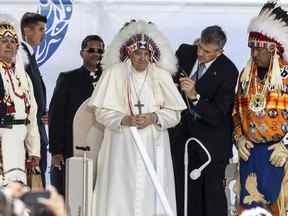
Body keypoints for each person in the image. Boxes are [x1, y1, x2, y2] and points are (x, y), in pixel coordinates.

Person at [88, 20, 186, 216]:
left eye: (146, 54)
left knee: (151, 195)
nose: (142, 58)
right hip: (121, 147)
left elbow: (175, 114)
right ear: (129, 53)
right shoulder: (113, 74)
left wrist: (154, 117)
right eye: (137, 53)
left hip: (154, 144)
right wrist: (124, 120)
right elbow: (101, 112)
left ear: (152, 55)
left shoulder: (162, 75)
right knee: (120, 193)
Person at [169, 25, 239, 216]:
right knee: (183, 195)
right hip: (182, 141)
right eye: (199, 46)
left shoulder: (229, 71)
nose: (200, 53)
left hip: (211, 146)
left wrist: (195, 97)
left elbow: (218, 114)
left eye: (207, 52)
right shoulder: (184, 52)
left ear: (220, 51)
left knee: (211, 199)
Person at [233, 2, 288, 215]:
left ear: (273, 49)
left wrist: (285, 144)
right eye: (251, 47)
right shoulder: (246, 76)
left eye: (259, 48)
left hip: (279, 155)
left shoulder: (285, 76)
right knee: (249, 208)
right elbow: (236, 114)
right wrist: (239, 138)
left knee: (278, 208)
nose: (254, 53)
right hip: (251, 155)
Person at [48, 35, 104, 196]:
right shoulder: (68, 78)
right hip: (71, 147)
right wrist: (56, 151)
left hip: (103, 148)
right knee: (73, 194)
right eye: (91, 50)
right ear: (82, 53)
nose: (96, 54)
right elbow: (55, 116)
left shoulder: (109, 79)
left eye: (100, 50)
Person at [0, 15, 40, 185]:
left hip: (19, 146)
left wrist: (34, 151)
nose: (9, 44)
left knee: (17, 193)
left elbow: (31, 117)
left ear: (18, 46)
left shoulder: (24, 79)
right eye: (3, 40)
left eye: (12, 40)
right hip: (2, 141)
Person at [20, 12, 48, 187]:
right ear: (27, 31)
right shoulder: (20, 55)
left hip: (37, 129)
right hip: (27, 133)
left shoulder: (29, 55)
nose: (43, 34)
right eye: (40, 29)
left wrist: (42, 113)